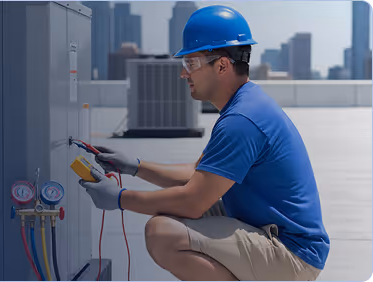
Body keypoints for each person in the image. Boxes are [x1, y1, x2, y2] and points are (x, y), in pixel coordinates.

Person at [79, 5, 329, 281]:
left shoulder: (242, 120)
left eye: (191, 64)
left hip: (292, 254)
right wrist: (135, 167)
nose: (184, 74)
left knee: (162, 233)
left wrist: (119, 198)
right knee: (171, 219)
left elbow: (193, 201)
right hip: (268, 228)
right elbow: (198, 175)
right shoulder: (245, 105)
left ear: (222, 65)